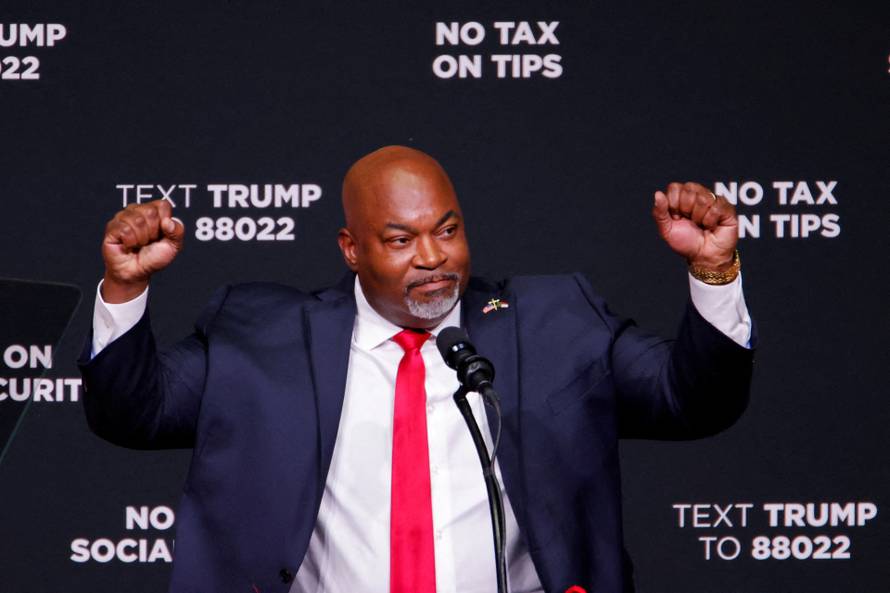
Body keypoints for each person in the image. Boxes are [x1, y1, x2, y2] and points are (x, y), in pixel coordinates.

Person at [80, 146, 754, 593]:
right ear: (351, 248)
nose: (433, 256)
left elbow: (692, 401)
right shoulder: (261, 335)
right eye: (401, 240)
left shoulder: (555, 322)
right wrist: (125, 290)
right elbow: (131, 412)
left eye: (448, 229)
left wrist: (713, 270)